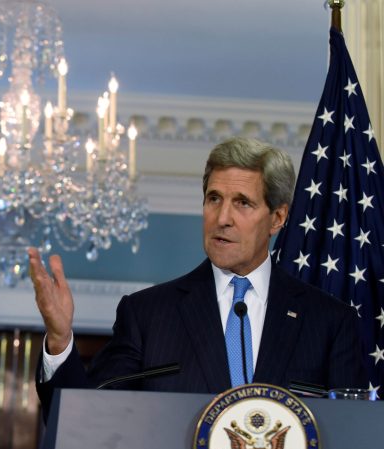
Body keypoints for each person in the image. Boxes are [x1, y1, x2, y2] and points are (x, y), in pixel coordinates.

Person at [30, 137, 366, 420]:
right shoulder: (148, 314)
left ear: (277, 218)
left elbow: (351, 440)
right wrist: (60, 341)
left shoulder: (329, 322)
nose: (222, 218)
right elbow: (88, 418)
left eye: (243, 203)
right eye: (214, 199)